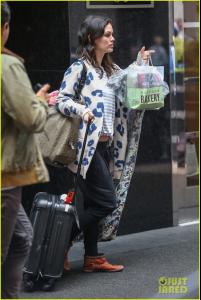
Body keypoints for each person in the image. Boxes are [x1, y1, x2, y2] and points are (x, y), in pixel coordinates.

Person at [57, 15, 153, 277]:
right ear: (92, 38)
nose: (113, 39)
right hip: (85, 149)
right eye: (107, 35)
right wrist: (82, 109)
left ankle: (92, 257)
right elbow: (61, 99)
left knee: (92, 205)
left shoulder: (110, 70)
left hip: (105, 148)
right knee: (106, 202)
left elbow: (129, 83)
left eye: (113, 34)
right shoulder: (80, 69)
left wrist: (140, 64)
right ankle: (60, 244)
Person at [1, 2, 50, 298]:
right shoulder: (6, 65)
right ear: (5, 28)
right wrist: (40, 102)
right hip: (5, 178)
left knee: (22, 238)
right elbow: (31, 119)